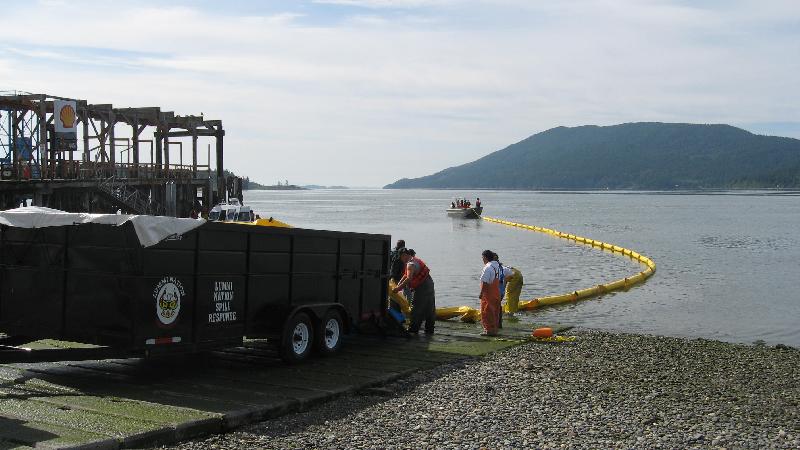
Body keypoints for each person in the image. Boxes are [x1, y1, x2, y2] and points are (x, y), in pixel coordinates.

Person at [392, 248, 435, 334]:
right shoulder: (414, 260)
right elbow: (405, 275)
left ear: (404, 255)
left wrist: (398, 289)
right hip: (429, 283)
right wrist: (398, 284)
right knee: (430, 308)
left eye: (401, 257)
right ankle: (430, 329)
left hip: (422, 287)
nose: (401, 260)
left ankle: (413, 328)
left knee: (416, 307)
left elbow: (409, 278)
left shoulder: (410, 264)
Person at [479, 250, 501, 336]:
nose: (482, 259)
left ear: (485, 257)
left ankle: (488, 331)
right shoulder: (497, 267)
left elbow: (484, 282)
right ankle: (494, 330)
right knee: (495, 312)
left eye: (482, 258)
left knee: (486, 312)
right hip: (496, 292)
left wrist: (481, 293)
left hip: (488, 294)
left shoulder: (487, 267)